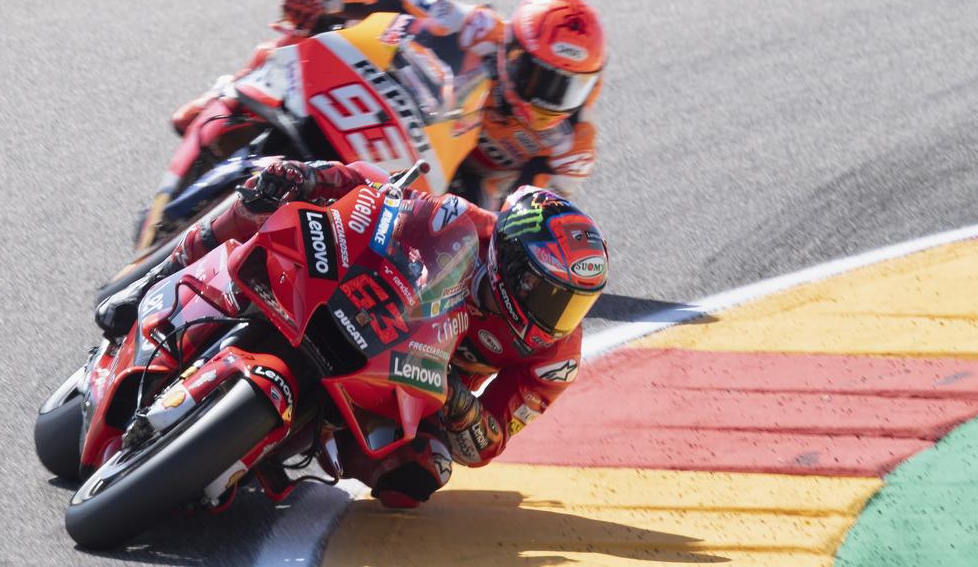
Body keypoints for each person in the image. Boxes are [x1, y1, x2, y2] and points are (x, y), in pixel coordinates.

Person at [96, 159, 609, 507]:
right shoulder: (474, 224)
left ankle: (294, 455)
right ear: (511, 262)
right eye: (550, 294)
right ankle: (151, 280)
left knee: (422, 476)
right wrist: (313, 177)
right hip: (365, 302)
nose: (559, 315)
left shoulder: (554, 358)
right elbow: (381, 192)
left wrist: (458, 405)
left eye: (575, 303)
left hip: (418, 385)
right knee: (265, 197)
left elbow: (484, 445)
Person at [171, 0, 606, 210]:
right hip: (419, 129)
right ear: (512, 51)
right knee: (297, 41)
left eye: (567, 87)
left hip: (466, 187)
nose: (549, 99)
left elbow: (531, 209)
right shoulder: (478, 29)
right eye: (540, 77)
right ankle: (225, 94)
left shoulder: (571, 146)